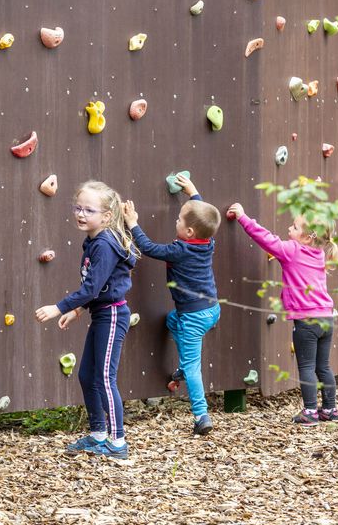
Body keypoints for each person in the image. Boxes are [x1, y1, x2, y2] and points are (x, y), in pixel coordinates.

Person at [35, 181, 138, 459]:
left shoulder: (104, 244)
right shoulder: (93, 240)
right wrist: (78, 310)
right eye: (78, 208)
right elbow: (98, 284)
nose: (81, 214)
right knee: (86, 375)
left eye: (88, 210)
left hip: (113, 314)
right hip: (101, 312)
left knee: (105, 378)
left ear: (105, 216)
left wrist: (59, 307)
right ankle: (98, 434)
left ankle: (117, 443)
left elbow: (92, 289)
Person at [122, 174, 221, 435]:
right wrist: (194, 192)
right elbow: (204, 218)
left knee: (193, 367)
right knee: (170, 320)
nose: (175, 221)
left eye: (179, 220)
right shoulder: (207, 242)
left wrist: (132, 223)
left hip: (194, 317)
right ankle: (181, 369)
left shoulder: (180, 251)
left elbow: (149, 248)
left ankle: (201, 416)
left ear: (188, 232)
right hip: (210, 310)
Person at [228, 203, 338, 426]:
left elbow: (266, 239)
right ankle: (329, 408)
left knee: (306, 367)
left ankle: (309, 412)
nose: (290, 229)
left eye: (295, 227)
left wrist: (243, 217)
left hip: (306, 320)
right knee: (323, 366)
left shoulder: (292, 250)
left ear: (307, 237)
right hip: (326, 317)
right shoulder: (319, 254)